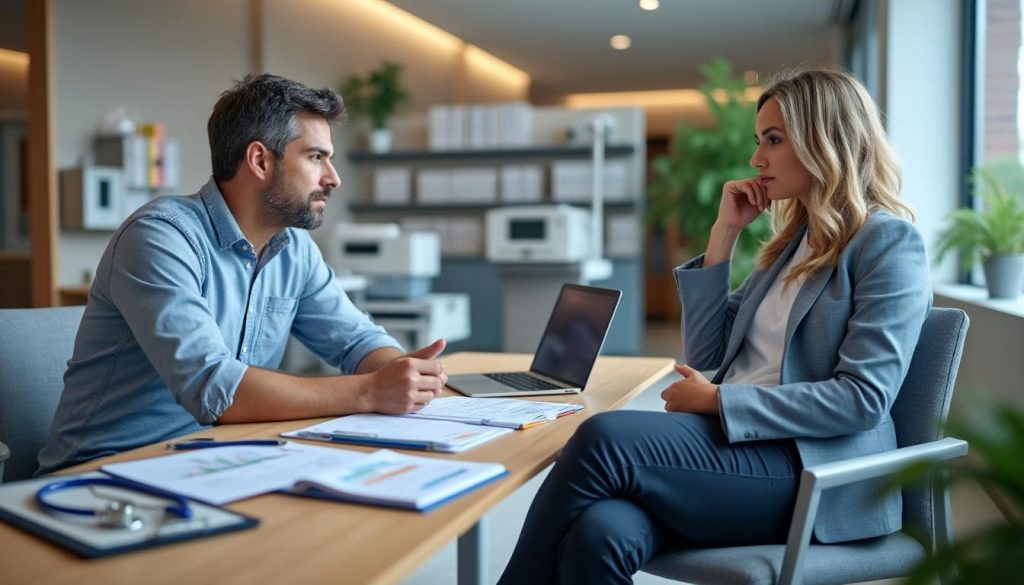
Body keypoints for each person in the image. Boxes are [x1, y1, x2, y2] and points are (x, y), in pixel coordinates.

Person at [499, 67, 931, 584]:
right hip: (735, 452)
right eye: (759, 141)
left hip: (810, 471)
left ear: (825, 140)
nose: (756, 159)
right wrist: (723, 234)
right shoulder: (792, 245)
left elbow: (861, 399)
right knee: (602, 532)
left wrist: (718, 401)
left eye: (774, 140)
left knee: (604, 437)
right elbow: (707, 356)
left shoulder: (887, 243)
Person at [38, 74, 447, 474]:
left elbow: (357, 341)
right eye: (316, 157)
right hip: (104, 472)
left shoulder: (295, 249)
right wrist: (372, 391)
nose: (333, 178)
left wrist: (402, 372)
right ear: (260, 160)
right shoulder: (160, 237)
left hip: (215, 460)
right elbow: (215, 388)